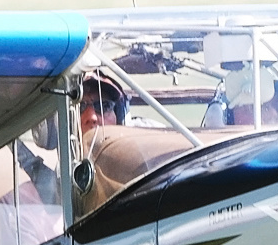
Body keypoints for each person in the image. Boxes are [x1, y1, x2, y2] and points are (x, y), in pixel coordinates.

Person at [75, 71, 193, 214]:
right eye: (80, 108)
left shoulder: (147, 138)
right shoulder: (57, 180)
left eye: (103, 106)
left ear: (120, 116)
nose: (92, 117)